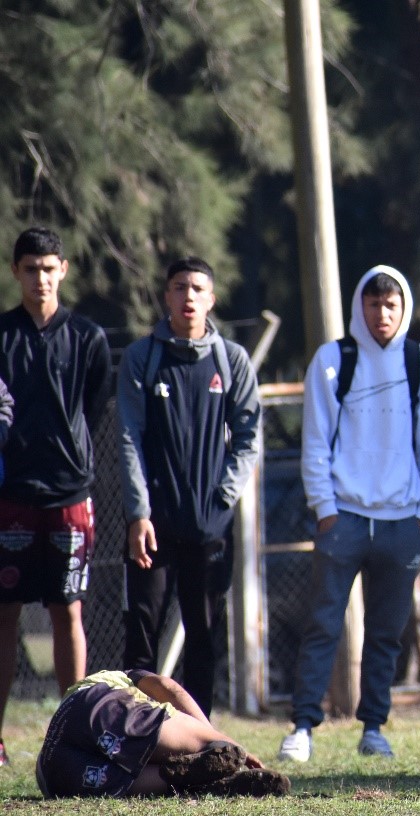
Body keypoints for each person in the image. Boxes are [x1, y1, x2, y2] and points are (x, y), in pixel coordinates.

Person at [278, 266, 420, 762]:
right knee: (322, 625)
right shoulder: (333, 360)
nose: (382, 313)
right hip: (343, 520)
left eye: (391, 304)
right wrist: (325, 509)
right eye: (373, 303)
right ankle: (303, 726)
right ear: (360, 306)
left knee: (387, 631)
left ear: (404, 307)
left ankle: (374, 726)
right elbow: (315, 442)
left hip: (403, 524)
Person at [118, 257, 263, 717]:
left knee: (203, 636)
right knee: (142, 635)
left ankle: (199, 742)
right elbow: (128, 437)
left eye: (198, 288)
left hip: (209, 526)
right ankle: (132, 737)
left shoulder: (230, 360)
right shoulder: (144, 357)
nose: (189, 297)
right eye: (180, 287)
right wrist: (138, 512)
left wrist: (222, 498)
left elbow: (248, 436)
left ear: (212, 299)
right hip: (154, 526)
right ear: (167, 297)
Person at [0, 227, 112, 768]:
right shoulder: (1, 335)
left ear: (63, 271)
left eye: (49, 268)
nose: (40, 278)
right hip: (11, 496)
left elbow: (93, 410)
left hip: (70, 494)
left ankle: (74, 733)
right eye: (30, 268)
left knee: (69, 611)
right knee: (4, 614)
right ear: (15, 271)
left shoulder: (88, 337)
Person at [37, 669, 287, 798]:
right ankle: (199, 767)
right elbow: (169, 687)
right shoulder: (121, 678)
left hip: (53, 771)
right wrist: (218, 740)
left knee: (152, 778)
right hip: (94, 706)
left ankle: (199, 783)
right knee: (206, 748)